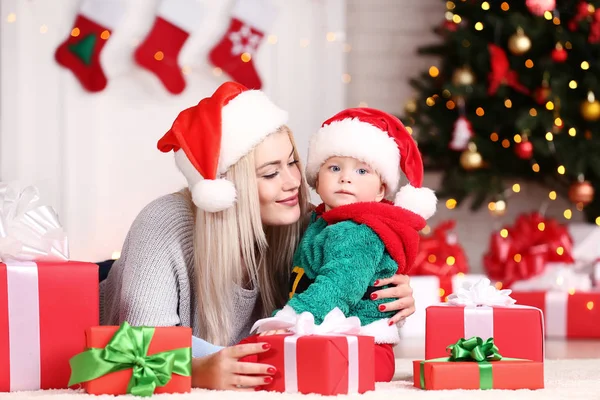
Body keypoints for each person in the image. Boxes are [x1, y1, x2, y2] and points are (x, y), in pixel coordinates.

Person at [100, 82, 417, 390]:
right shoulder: (163, 223)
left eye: (292, 162)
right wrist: (195, 371)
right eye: (270, 172)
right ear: (227, 189)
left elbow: (335, 297)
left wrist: (387, 295)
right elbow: (135, 350)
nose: (293, 181)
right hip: (99, 294)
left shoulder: (304, 224)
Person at [252, 108, 437, 382]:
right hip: (332, 332)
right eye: (334, 167)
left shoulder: (357, 231)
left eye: (362, 170)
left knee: (282, 366)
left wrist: (289, 320)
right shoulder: (321, 223)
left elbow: (338, 287)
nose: (345, 178)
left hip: (364, 344)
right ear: (316, 179)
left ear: (381, 190)